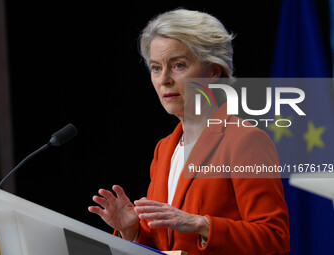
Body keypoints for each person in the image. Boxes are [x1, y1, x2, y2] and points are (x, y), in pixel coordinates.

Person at [88, 8, 290, 255]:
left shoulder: (246, 141)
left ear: (214, 71)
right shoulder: (165, 148)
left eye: (179, 65)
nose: (164, 80)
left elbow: (275, 240)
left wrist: (200, 224)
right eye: (155, 68)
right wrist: (132, 231)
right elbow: (165, 247)